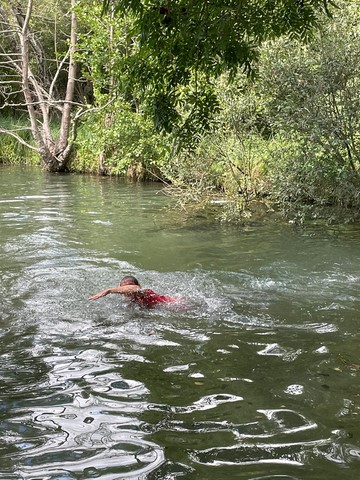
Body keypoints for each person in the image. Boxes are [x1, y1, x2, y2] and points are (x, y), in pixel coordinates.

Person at [89, 275, 177, 308]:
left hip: (177, 305)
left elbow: (134, 289)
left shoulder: (145, 292)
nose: (126, 289)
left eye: (130, 285)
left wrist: (109, 290)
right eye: (124, 287)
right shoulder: (128, 300)